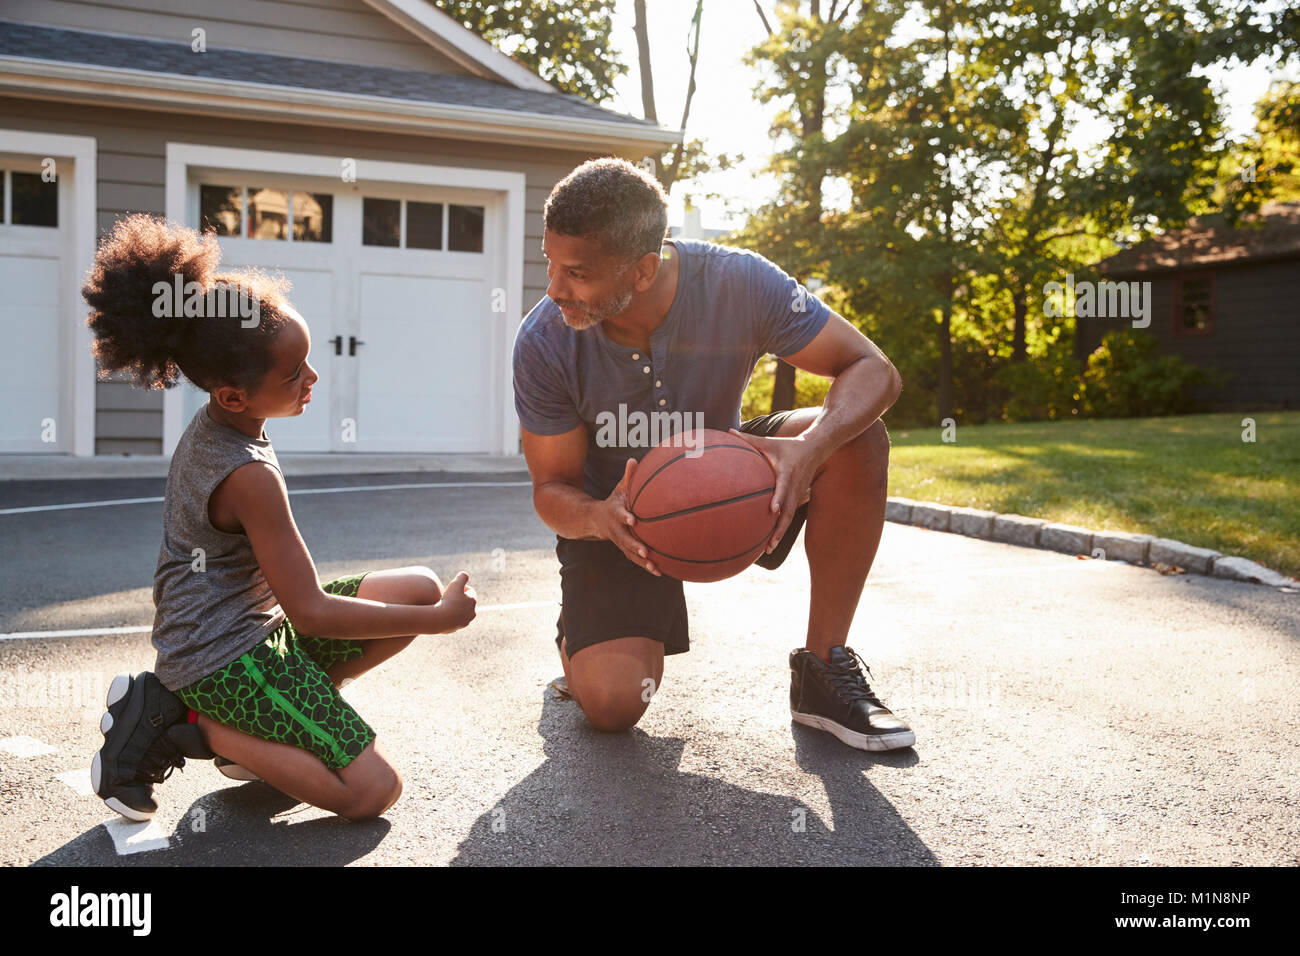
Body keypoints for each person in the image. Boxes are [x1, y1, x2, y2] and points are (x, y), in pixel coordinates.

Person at [84, 214, 477, 822]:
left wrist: (428, 610)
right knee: (373, 791)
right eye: (293, 373)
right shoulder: (248, 476)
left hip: (255, 629)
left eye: (307, 361)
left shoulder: (226, 424)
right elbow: (313, 610)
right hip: (221, 659)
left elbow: (299, 607)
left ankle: (272, 740)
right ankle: (184, 723)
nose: (312, 379)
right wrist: (441, 623)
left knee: (419, 587)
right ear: (232, 395)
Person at [513, 158, 914, 751]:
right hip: (616, 517)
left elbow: (873, 370)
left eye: (577, 272)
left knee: (855, 438)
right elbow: (551, 489)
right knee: (615, 705)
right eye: (550, 262)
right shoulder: (545, 341)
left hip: (725, 477)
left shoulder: (740, 283)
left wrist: (808, 449)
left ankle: (823, 668)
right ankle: (580, 639)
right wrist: (599, 517)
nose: (554, 288)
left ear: (644, 269)